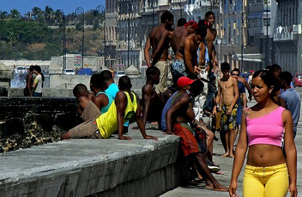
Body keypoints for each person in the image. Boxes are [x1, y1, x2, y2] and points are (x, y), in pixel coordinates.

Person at [229, 70, 297, 197]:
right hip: (252, 173)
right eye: (253, 86)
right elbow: (241, 147)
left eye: (259, 87)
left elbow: (290, 149)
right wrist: (233, 179)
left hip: (277, 173)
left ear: (270, 88)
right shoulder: (247, 114)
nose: (254, 90)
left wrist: (293, 181)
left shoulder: (284, 114)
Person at [162, 76, 227, 191]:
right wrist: (169, 131)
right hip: (181, 127)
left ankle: (208, 181)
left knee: (199, 156)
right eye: (189, 85)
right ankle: (215, 184)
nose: (190, 86)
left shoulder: (184, 96)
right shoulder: (184, 98)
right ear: (185, 86)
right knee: (198, 156)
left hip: (185, 126)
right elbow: (169, 112)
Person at [61, 76, 158, 141]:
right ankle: (84, 124)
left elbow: (120, 115)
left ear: (119, 86)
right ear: (131, 86)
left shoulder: (120, 94)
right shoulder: (134, 96)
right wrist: (144, 135)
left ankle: (83, 126)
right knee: (82, 99)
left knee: (64, 136)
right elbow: (138, 117)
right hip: (100, 118)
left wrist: (120, 135)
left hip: (98, 127)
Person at [144, 11, 174, 94]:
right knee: (160, 89)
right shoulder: (165, 32)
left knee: (153, 88)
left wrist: (149, 64)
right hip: (161, 63)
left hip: (154, 64)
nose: (172, 23)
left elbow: (146, 49)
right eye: (172, 21)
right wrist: (153, 57)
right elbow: (158, 49)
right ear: (167, 21)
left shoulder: (153, 31)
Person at [213, 62, 239, 158]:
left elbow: (236, 95)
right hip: (223, 107)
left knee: (232, 129)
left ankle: (231, 151)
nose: (227, 74)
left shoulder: (233, 81)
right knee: (225, 130)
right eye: (225, 72)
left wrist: (231, 107)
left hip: (231, 106)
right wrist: (216, 106)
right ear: (222, 72)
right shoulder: (220, 81)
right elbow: (219, 95)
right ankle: (227, 150)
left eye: (228, 72)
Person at [278, 71, 301, 138]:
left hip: (286, 128)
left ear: (283, 81)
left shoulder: (282, 96)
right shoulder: (297, 94)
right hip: (294, 128)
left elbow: (282, 114)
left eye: (279, 81)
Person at [231, 68, 247, 140]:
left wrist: (244, 106)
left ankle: (233, 140)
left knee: (236, 124)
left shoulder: (241, 84)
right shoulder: (227, 83)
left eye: (237, 75)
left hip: (238, 105)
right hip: (229, 104)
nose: (235, 76)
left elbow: (244, 95)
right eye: (233, 74)